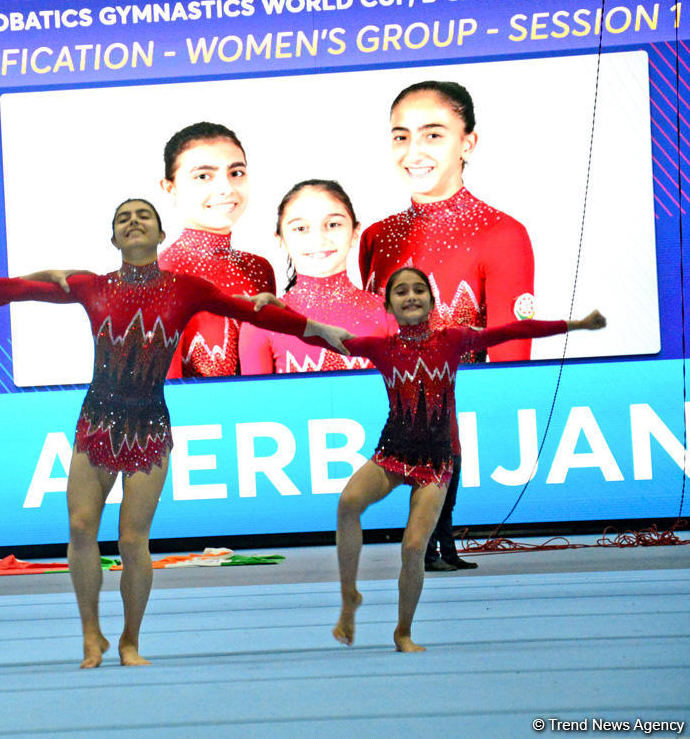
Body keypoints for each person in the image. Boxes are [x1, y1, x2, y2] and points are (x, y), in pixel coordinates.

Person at [0, 198, 352, 668]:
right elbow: (17, 289)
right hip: (98, 422)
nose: (133, 222)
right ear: (113, 238)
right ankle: (91, 635)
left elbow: (254, 313)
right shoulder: (92, 285)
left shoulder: (186, 289)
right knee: (80, 527)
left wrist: (316, 327)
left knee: (133, 540)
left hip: (149, 426)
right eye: (123, 219)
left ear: (161, 234)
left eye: (143, 216)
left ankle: (130, 640)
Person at [330, 266, 605, 652]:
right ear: (388, 305)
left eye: (419, 290)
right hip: (392, 453)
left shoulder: (453, 339)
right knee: (347, 503)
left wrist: (576, 324)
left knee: (414, 548)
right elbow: (314, 334)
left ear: (432, 300)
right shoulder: (382, 347)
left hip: (436, 463)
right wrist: (273, 307)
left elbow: (513, 331)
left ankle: (402, 632)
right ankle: (349, 597)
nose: (411, 296)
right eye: (401, 292)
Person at [359, 80, 537, 569]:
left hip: (454, 412)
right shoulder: (376, 236)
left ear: (468, 143)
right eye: (401, 136)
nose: (413, 151)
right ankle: (428, 542)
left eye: (433, 135)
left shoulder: (502, 233)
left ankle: (444, 539)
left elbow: (511, 356)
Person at [156, 122, 276, 378]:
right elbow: (161, 396)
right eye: (203, 176)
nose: (227, 188)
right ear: (170, 187)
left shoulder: (259, 269)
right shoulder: (160, 278)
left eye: (236, 173)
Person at [240, 180, 391, 374]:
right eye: (301, 228)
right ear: (281, 239)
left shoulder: (389, 315)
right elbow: (254, 394)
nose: (318, 239)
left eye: (333, 224)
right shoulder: (260, 322)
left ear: (355, 233)